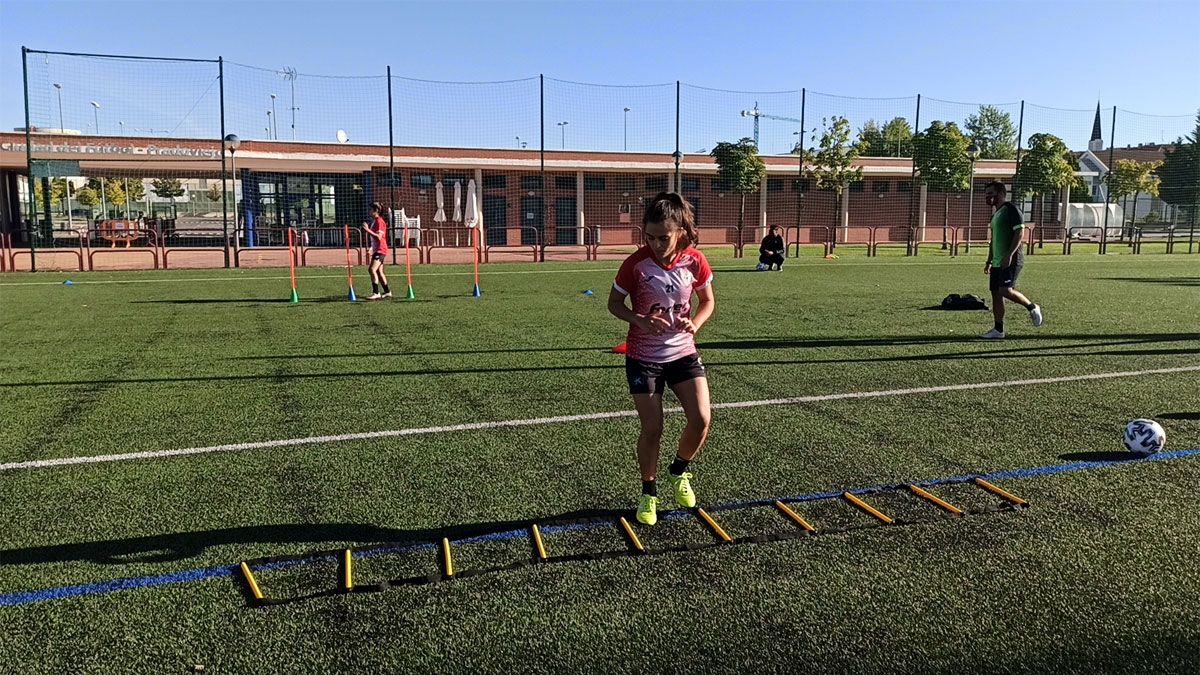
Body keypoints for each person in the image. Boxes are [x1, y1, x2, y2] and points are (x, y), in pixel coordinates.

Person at [608, 192, 715, 526]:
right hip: (643, 357)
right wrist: (639, 320)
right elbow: (613, 304)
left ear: (681, 230)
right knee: (653, 428)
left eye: (663, 237)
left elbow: (708, 301)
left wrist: (693, 324)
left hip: (683, 351)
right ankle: (648, 493)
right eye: (649, 237)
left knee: (701, 418)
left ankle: (678, 471)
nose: (655, 243)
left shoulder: (695, 260)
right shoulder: (635, 265)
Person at [982, 181, 1042, 338]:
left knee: (1005, 290)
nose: (988, 197)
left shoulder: (1011, 209)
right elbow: (994, 241)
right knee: (996, 293)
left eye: (991, 193)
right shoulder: (995, 214)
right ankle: (998, 329)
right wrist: (989, 261)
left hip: (1011, 259)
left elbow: (1020, 233)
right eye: (987, 193)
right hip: (996, 261)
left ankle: (1032, 306)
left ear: (1001, 192)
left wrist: (1009, 255)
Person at [361, 202, 391, 300]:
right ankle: (387, 292)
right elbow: (375, 240)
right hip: (377, 249)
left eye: (370, 210)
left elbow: (379, 237)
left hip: (381, 249)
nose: (369, 211)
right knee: (379, 271)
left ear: (376, 211)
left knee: (371, 269)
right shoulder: (374, 221)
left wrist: (367, 230)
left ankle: (376, 292)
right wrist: (371, 248)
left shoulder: (379, 222)